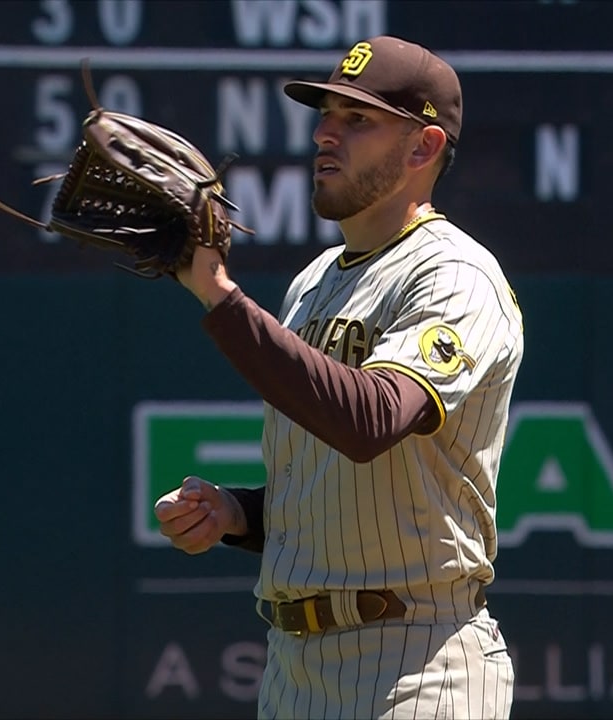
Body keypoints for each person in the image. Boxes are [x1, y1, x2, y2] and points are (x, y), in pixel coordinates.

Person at [153, 35, 524, 719]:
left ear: (423, 148)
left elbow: (369, 421)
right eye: (327, 113)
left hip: (417, 661)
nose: (326, 132)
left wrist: (219, 295)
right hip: (294, 669)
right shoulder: (314, 282)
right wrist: (238, 513)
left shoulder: (453, 275)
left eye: (358, 120)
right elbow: (339, 491)